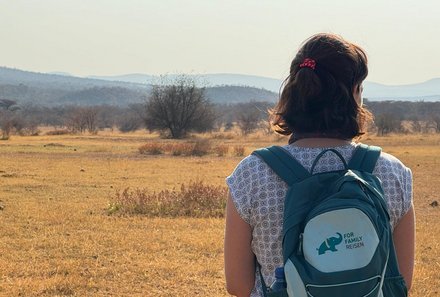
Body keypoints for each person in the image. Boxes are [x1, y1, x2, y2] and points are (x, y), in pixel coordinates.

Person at [224, 33, 415, 297]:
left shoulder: (252, 174)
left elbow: (238, 284)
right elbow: (400, 279)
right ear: (354, 93)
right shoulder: (392, 174)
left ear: (295, 92)